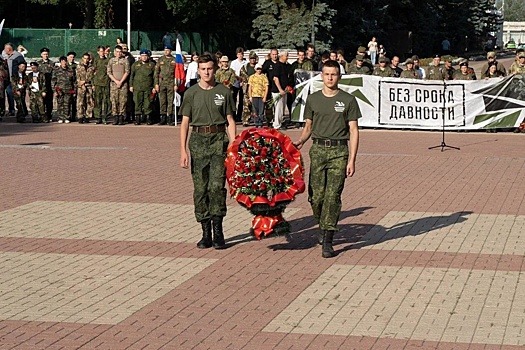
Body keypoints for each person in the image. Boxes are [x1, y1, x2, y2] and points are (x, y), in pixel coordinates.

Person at [293, 59, 360, 258]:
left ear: (339, 76)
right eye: (327, 74)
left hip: (339, 152)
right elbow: (307, 127)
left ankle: (328, 238)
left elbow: (354, 130)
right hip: (318, 150)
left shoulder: (348, 100)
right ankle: (322, 223)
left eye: (334, 74)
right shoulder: (313, 99)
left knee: (332, 196)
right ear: (321, 76)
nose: (330, 77)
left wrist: (352, 160)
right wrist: (301, 142)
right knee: (316, 196)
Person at [179, 53, 237, 250]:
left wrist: (233, 145)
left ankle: (218, 231)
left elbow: (230, 120)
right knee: (201, 188)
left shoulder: (224, 92)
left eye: (209, 69)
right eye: (203, 69)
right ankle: (205, 232)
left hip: (219, 141)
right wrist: (183, 151)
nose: (206, 72)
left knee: (216, 187)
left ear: (215, 69)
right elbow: (185, 123)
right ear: (198, 70)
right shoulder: (191, 93)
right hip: (198, 142)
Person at [130, 49, 156, 125]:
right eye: (142, 56)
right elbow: (132, 75)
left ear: (148, 56)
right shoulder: (135, 65)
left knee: (148, 103)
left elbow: (155, 76)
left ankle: (148, 118)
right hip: (137, 87)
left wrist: (154, 86)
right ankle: (138, 118)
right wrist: (131, 85)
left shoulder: (151, 65)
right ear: (140, 56)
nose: (144, 57)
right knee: (137, 102)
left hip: (148, 87)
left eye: (145, 56)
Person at [107, 45, 130, 125]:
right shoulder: (111, 61)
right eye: (117, 52)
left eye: (120, 52)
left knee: (123, 101)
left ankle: (121, 117)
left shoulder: (125, 61)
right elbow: (109, 72)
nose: (118, 53)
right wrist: (116, 81)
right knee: (114, 101)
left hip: (123, 84)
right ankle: (115, 117)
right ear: (114, 52)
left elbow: (127, 72)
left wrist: (121, 82)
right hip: (114, 84)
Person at [154, 45, 176, 125]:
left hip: (171, 82)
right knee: (162, 100)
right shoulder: (160, 59)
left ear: (171, 51)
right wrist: (156, 84)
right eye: (165, 50)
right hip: (162, 82)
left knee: (171, 101)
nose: (166, 51)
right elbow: (156, 72)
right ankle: (163, 117)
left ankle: (169, 117)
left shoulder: (174, 60)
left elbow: (177, 73)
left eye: (168, 50)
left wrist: (176, 84)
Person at [52, 56, 76, 123]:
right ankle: (60, 117)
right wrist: (54, 90)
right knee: (60, 104)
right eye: (62, 61)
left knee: (67, 104)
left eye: (65, 61)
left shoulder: (71, 70)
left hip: (69, 90)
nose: (64, 63)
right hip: (59, 90)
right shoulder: (56, 71)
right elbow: (53, 81)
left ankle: (66, 117)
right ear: (60, 62)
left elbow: (74, 81)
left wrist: (74, 90)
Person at [93, 45, 111, 124]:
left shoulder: (108, 60)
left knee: (106, 101)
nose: (102, 53)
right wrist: (93, 83)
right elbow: (92, 72)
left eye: (103, 51)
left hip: (106, 83)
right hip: (97, 84)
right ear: (98, 52)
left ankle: (105, 117)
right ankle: (98, 117)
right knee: (97, 101)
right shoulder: (95, 60)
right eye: (100, 51)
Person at [36, 47, 55, 122]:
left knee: (49, 101)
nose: (46, 55)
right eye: (44, 54)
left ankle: (49, 115)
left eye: (47, 54)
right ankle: (42, 116)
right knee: (41, 101)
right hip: (41, 85)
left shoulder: (51, 63)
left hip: (49, 84)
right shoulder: (38, 63)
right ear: (41, 55)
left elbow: (54, 74)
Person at [248, 62, 269, 128]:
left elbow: (266, 87)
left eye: (260, 69)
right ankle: (256, 122)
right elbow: (250, 87)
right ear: (255, 69)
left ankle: (260, 122)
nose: (259, 70)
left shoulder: (264, 77)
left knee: (261, 110)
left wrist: (265, 96)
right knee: (255, 110)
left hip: (261, 96)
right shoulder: (252, 77)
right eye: (257, 69)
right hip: (254, 95)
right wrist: (250, 96)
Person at [76, 53, 95, 123]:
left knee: (89, 102)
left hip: (88, 86)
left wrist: (85, 81)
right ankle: (80, 116)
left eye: (87, 58)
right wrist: (81, 84)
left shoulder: (91, 67)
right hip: (81, 86)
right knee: (80, 102)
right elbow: (77, 76)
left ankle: (87, 116)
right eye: (85, 58)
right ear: (82, 58)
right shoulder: (79, 66)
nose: (86, 60)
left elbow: (91, 77)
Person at [230, 47, 247, 123]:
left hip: (243, 82)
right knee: (234, 99)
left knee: (241, 100)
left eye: (241, 54)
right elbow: (232, 72)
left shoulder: (246, 62)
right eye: (239, 54)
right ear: (237, 55)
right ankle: (233, 115)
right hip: (235, 81)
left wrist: (243, 81)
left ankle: (239, 116)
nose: (240, 55)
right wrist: (237, 79)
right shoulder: (234, 62)